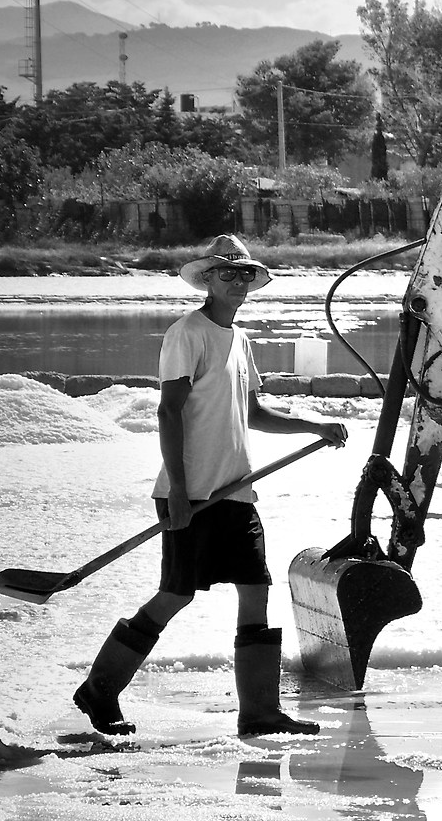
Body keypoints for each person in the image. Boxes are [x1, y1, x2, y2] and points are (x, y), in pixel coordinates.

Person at [72, 234, 348, 738]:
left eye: (245, 274)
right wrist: (178, 490)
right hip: (192, 493)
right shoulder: (187, 334)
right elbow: (168, 410)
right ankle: (99, 689)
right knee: (175, 595)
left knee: (255, 589)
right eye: (228, 274)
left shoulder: (239, 340)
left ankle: (259, 711)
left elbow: (254, 412)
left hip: (236, 490)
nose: (238, 282)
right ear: (207, 280)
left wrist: (313, 426)